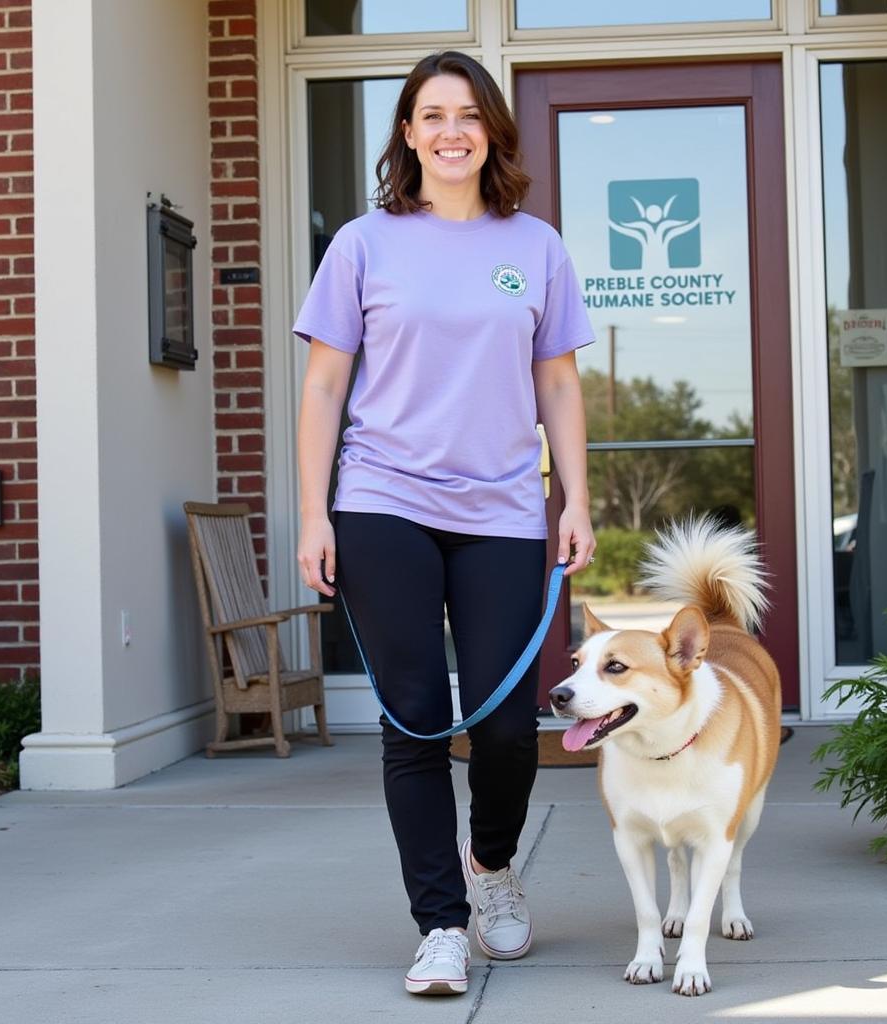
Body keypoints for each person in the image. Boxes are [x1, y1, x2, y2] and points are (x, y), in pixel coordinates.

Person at [293, 50, 595, 997]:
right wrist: (314, 512)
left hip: (504, 506)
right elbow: (326, 385)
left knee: (506, 727)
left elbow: (557, 380)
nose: (451, 131)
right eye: (432, 115)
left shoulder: (535, 246)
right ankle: (439, 924)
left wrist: (574, 497)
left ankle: (492, 866)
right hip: (383, 501)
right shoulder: (363, 243)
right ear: (409, 133)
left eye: (467, 114)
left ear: (492, 130)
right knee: (414, 722)